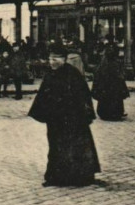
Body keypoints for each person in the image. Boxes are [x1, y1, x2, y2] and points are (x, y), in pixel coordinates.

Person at [28, 42, 100, 187]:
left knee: (73, 148)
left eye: (55, 60)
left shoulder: (73, 74)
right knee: (55, 147)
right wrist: (43, 112)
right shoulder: (50, 75)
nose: (51, 62)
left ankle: (76, 177)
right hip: (55, 119)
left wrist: (85, 114)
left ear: (64, 59)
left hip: (73, 119)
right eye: (50, 59)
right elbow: (43, 95)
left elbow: (84, 96)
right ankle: (55, 177)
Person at [92, 45, 130, 120]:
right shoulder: (116, 64)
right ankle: (115, 113)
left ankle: (105, 113)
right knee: (115, 98)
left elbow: (97, 77)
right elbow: (120, 78)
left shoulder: (102, 65)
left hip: (105, 89)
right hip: (114, 89)